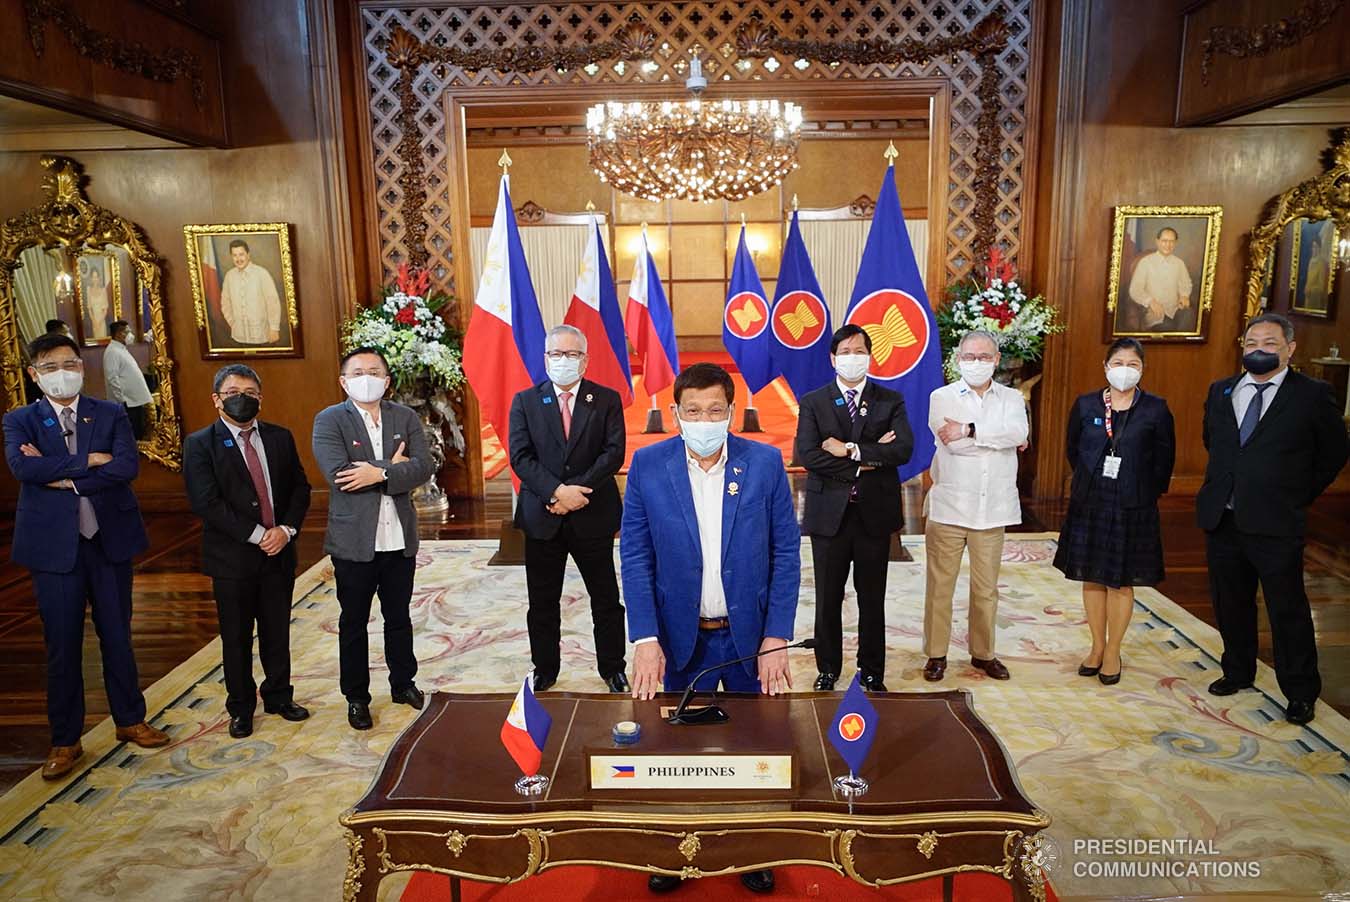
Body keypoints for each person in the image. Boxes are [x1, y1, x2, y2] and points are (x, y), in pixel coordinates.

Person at [621, 362, 798, 896]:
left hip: (749, 637)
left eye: (715, 411)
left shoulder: (764, 463)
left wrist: (776, 636)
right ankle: (675, 850)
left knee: (756, 745)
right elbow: (635, 557)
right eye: (693, 411)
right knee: (673, 748)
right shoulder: (649, 465)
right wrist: (645, 638)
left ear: (732, 412)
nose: (704, 420)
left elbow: (785, 552)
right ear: (676, 414)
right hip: (679, 639)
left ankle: (753, 848)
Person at [3, 333, 169, 780]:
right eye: (52, 366)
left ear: (81, 366)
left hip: (109, 540)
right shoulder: (20, 420)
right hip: (53, 547)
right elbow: (24, 469)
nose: (63, 372)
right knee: (62, 644)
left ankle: (130, 720)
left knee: (118, 634)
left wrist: (62, 475)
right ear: (35, 375)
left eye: (70, 363)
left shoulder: (110, 412)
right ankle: (65, 740)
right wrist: (87, 462)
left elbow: (125, 467)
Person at [1197, 314, 1347, 725]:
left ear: (1289, 348)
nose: (1258, 350)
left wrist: (1297, 494)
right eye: (1251, 343)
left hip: (1277, 520)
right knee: (1230, 602)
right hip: (1224, 516)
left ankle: (1300, 691)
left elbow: (1334, 452)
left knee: (1287, 609)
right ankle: (1237, 671)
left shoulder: (1312, 395)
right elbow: (1214, 441)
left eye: (1268, 343)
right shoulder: (1222, 390)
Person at [184, 364, 312, 738]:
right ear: (217, 400)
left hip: (280, 552)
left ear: (261, 398)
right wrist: (259, 535)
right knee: (236, 635)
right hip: (232, 557)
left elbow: (300, 489)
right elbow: (206, 503)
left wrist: (286, 530)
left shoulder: (279, 437)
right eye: (233, 392)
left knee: (277, 631)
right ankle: (241, 706)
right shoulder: (200, 444)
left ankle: (279, 696)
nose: (243, 399)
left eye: (251, 393)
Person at [312, 348, 433, 731]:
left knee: (399, 616)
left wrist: (377, 474)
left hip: (399, 537)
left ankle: (403, 683)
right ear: (344, 382)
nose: (368, 377)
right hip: (354, 541)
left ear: (387, 379)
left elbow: (424, 466)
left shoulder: (405, 416)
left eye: (375, 371)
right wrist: (392, 468)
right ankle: (357, 698)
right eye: (359, 372)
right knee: (354, 621)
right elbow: (340, 474)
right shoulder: (330, 420)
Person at [508, 324, 628, 693]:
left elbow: (614, 453)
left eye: (572, 354)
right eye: (557, 354)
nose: (564, 361)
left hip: (592, 512)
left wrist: (577, 492)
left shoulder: (605, 399)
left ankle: (613, 667)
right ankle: (545, 667)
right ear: (546, 359)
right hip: (543, 516)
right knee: (542, 600)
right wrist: (556, 492)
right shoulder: (525, 401)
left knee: (606, 598)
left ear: (585, 360)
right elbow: (520, 457)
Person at [794, 324, 913, 692]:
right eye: (845, 351)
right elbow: (809, 455)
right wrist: (872, 454)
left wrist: (849, 450)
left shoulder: (889, 399)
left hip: (873, 515)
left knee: (871, 596)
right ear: (833, 359)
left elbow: (902, 450)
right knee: (828, 597)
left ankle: (872, 670)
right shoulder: (814, 401)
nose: (852, 357)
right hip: (829, 515)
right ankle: (828, 667)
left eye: (859, 350)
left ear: (870, 356)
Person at [1053, 338, 1175, 686]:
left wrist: (1143, 492)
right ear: (1106, 367)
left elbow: (1164, 460)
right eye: (1118, 362)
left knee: (1120, 580)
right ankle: (1096, 646)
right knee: (1092, 575)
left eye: (1132, 364)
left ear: (1142, 369)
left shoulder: (1155, 409)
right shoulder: (1086, 404)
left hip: (1132, 503)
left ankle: (1113, 651)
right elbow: (1073, 449)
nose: (1125, 370)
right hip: (1091, 500)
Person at [921, 330, 1028, 683]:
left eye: (984, 356)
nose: (976, 363)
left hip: (993, 509)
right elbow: (951, 444)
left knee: (986, 588)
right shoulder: (942, 396)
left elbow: (1018, 435)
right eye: (969, 356)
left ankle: (983, 654)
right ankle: (936, 654)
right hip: (950, 506)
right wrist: (989, 438)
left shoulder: (1012, 398)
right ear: (958, 359)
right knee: (941, 586)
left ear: (996, 359)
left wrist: (969, 429)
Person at [1127, 227, 1193, 331]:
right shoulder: (1146, 262)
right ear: (1157, 242)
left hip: (1175, 309)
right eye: (1164, 241)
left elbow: (1186, 283)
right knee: (1169, 328)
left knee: (1190, 318)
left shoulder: (1179, 263)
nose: (1168, 245)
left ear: (1176, 243)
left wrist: (1184, 295)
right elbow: (1135, 290)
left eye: (1171, 241)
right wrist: (1150, 302)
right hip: (1155, 313)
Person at [219, 239, 283, 345]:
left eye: (241, 254)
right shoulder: (229, 276)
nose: (238, 259)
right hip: (238, 336)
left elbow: (273, 302)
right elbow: (225, 303)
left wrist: (274, 328)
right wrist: (233, 323)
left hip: (262, 336)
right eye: (235, 255)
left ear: (248, 255)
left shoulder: (262, 274)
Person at [103, 320, 154, 440]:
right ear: (119, 334)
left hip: (134, 401)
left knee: (139, 431)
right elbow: (112, 378)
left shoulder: (121, 349)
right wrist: (122, 399)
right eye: (128, 332)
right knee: (133, 434)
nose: (131, 335)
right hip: (127, 402)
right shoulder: (112, 352)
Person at [82, 263, 110, 341]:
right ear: (91, 278)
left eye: (96, 277)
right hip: (93, 320)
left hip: (101, 320)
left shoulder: (103, 290)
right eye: (93, 277)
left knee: (103, 340)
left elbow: (105, 310)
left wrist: (99, 322)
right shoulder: (88, 290)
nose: (95, 279)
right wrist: (94, 322)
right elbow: (89, 309)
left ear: (99, 278)